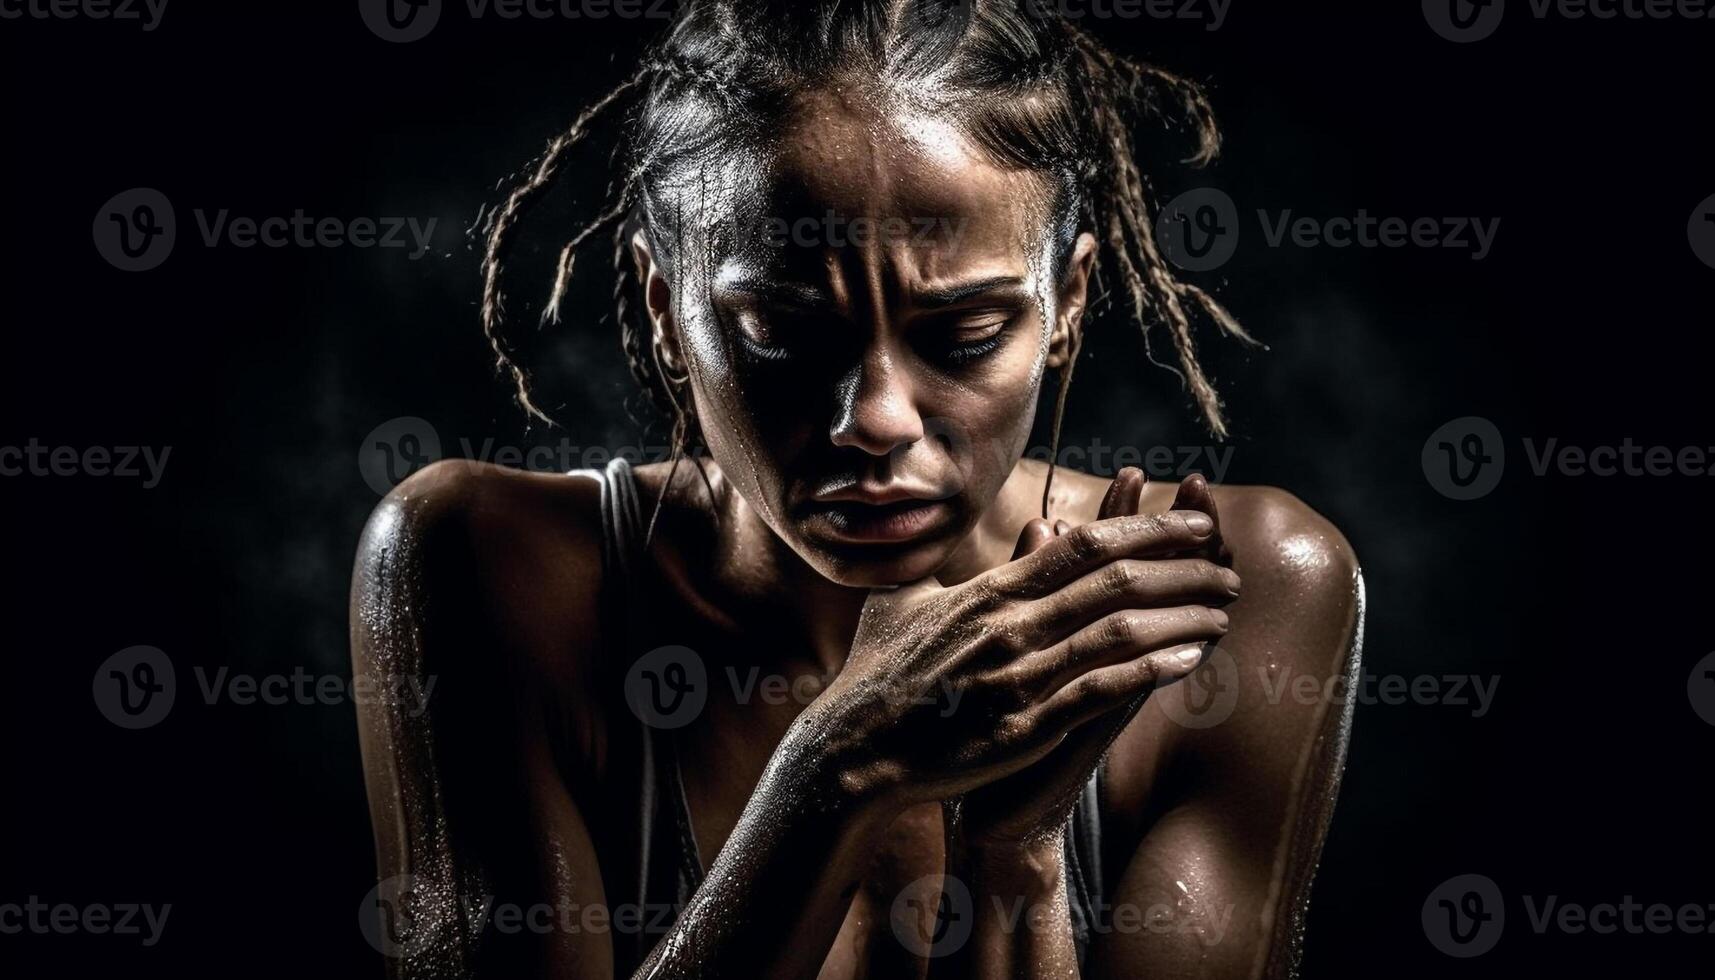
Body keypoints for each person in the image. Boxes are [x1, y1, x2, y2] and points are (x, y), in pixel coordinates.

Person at [352, 3, 1364, 976]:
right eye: (783, 333)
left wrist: (1013, 852)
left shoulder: (1230, 592)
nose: (873, 418)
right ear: (666, 311)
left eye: (962, 335)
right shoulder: (491, 568)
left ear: (1067, 303)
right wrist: (832, 771)